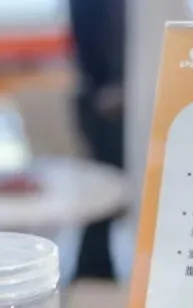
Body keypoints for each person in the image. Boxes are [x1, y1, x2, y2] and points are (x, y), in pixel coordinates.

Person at [69, 0, 126, 280]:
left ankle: (94, 268)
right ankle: (93, 269)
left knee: (107, 189)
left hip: (105, 98)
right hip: (103, 103)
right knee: (103, 187)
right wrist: (113, 86)